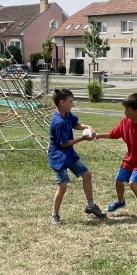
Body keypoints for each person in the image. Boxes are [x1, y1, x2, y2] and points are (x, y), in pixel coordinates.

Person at [96, 93, 137, 220]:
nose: (125, 112)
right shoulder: (124, 121)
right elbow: (114, 134)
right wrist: (99, 135)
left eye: (127, 110)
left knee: (133, 183)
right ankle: (120, 201)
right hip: (131, 158)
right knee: (118, 180)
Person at [48, 88, 106, 224]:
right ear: (62, 103)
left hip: (69, 153)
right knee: (62, 186)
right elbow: (64, 144)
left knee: (87, 175)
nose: (72, 104)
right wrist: (83, 138)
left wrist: (89, 127)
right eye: (70, 102)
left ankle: (90, 205)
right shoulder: (58, 122)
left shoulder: (67, 114)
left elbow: (76, 124)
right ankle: (54, 215)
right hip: (58, 156)